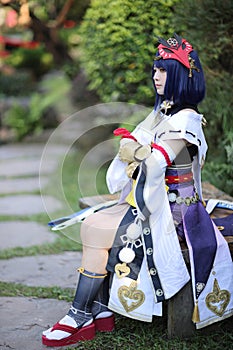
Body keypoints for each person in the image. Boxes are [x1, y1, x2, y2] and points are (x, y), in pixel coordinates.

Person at [42, 33, 233, 347]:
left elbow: (156, 163)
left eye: (164, 70)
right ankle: (96, 311)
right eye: (155, 70)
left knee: (94, 227)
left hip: (177, 213)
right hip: (153, 201)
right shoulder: (163, 112)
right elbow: (136, 152)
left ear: (184, 77)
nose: (156, 76)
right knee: (92, 225)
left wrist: (134, 151)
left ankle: (81, 313)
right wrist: (131, 150)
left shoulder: (187, 120)